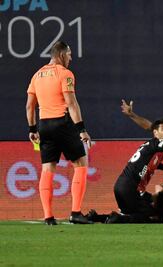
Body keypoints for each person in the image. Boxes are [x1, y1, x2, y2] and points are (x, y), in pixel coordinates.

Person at [26, 41, 92, 225]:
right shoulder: (65, 74)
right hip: (62, 122)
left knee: (48, 168)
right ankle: (76, 213)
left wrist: (32, 129)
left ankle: (48, 217)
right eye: (69, 54)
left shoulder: (36, 75)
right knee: (81, 163)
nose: (71, 58)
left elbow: (30, 106)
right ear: (62, 54)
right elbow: (71, 103)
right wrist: (81, 130)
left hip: (44, 125)